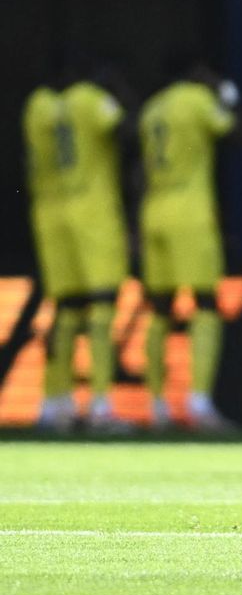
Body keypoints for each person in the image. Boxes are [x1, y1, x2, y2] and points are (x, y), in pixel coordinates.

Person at [26, 65, 134, 434]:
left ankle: (53, 404)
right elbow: (126, 131)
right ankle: (101, 406)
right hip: (92, 210)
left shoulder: (38, 106)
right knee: (102, 305)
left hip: (51, 210)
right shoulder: (90, 99)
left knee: (66, 309)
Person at [139, 60, 240, 431]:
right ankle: (199, 403)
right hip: (190, 212)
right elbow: (234, 132)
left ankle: (155, 405)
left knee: (160, 308)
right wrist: (226, 95)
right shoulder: (197, 98)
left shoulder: (153, 107)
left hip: (154, 210)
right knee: (206, 302)